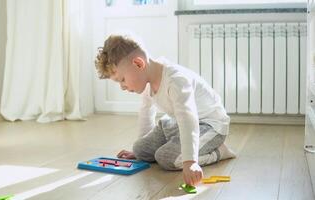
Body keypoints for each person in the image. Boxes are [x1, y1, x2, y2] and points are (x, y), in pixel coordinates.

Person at [94, 34, 236, 186]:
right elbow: (146, 114)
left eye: (122, 79)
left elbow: (188, 119)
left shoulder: (176, 81)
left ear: (138, 64)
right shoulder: (147, 82)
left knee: (166, 158)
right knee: (140, 150)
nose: (122, 87)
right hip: (177, 123)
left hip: (210, 126)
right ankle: (177, 147)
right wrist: (141, 149)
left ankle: (218, 152)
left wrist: (190, 161)